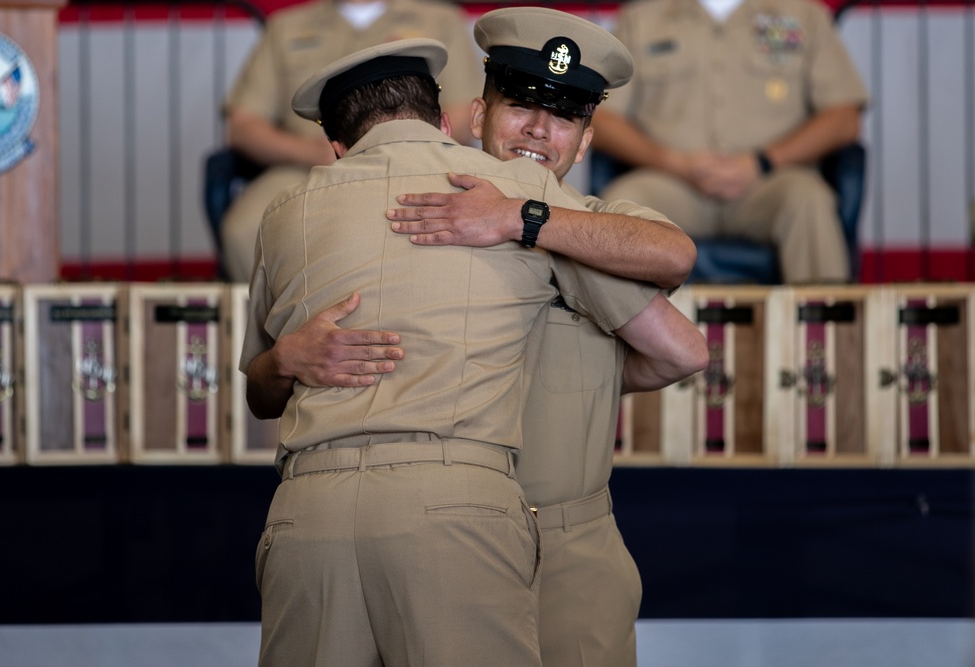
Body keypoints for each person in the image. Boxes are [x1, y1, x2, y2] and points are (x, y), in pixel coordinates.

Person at [289, 8, 709, 666]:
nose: (541, 129)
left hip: (569, 544)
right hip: (442, 534)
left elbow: (678, 289)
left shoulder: (594, 226)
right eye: (521, 105)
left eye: (564, 115)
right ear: (476, 114)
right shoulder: (413, 211)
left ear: (587, 137)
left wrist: (520, 217)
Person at [589, 0, 869, 284]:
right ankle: (614, 327)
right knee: (621, 206)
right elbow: (601, 118)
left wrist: (762, 162)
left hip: (769, 183)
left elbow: (844, 119)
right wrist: (674, 163)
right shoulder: (641, 19)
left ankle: (823, 327)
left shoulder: (805, 16)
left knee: (810, 201)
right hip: (672, 182)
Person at [219, 0, 482, 282]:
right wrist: (310, 152)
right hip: (310, 164)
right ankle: (288, 323)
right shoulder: (286, 27)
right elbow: (243, 125)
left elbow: (465, 113)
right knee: (245, 228)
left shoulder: (440, 20)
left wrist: (396, 145)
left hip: (416, 162)